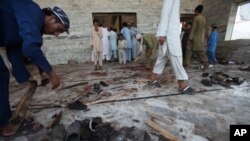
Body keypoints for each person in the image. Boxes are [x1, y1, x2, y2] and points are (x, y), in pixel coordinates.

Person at [0, 0, 70, 136]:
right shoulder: (34, 13)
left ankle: (3, 121)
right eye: (59, 29)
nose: (56, 35)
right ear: (51, 18)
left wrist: (26, 77)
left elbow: (14, 50)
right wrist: (52, 73)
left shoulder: (29, 21)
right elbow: (31, 47)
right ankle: (3, 123)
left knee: (2, 74)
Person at [149, 0, 195, 94]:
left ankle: (152, 79)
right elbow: (165, 14)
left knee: (162, 58)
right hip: (169, 35)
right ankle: (182, 86)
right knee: (176, 57)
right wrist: (162, 34)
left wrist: (162, 34)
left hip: (168, 34)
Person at [187, 5, 209, 70]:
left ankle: (186, 63)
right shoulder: (203, 18)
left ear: (196, 11)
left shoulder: (196, 18)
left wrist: (189, 38)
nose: (194, 12)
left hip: (194, 38)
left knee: (188, 50)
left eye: (194, 11)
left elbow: (193, 29)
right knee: (200, 52)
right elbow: (204, 29)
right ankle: (206, 62)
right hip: (201, 39)